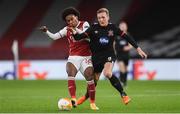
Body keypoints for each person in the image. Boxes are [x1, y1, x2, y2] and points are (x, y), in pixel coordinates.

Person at [71, 8, 147, 105]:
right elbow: (79, 37)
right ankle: (85, 97)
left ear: (108, 17)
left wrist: (138, 48)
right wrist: (73, 31)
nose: (101, 20)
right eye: (99, 18)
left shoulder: (113, 28)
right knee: (93, 81)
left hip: (109, 55)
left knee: (107, 73)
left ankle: (123, 94)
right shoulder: (93, 28)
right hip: (96, 57)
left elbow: (126, 37)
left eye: (103, 17)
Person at [39, 7, 99, 110]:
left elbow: (86, 35)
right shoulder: (66, 29)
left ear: (76, 16)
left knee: (90, 78)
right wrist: (46, 31)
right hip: (73, 57)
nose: (70, 22)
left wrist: (75, 30)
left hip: (86, 57)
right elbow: (54, 37)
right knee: (70, 74)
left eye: (72, 19)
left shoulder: (85, 24)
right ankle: (73, 99)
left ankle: (92, 103)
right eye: (68, 21)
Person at [114, 21, 133, 87]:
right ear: (119, 27)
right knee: (121, 68)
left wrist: (127, 48)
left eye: (124, 26)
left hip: (126, 55)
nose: (123, 27)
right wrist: (114, 52)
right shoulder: (117, 35)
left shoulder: (128, 35)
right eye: (121, 26)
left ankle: (124, 82)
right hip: (119, 54)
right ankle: (121, 82)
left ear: (126, 27)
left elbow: (131, 45)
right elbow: (113, 44)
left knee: (126, 69)